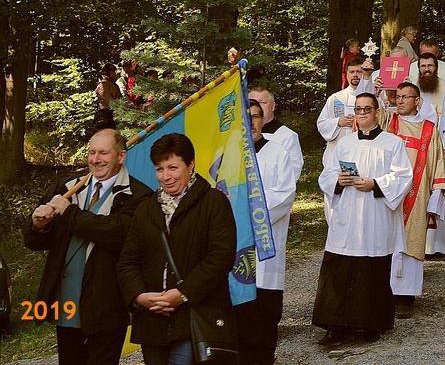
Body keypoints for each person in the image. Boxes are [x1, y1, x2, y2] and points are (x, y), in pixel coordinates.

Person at [23, 129, 151, 365]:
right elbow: (34, 242)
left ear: (121, 156)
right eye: (92, 152)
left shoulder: (139, 195)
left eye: (104, 153)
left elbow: (116, 233)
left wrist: (70, 213)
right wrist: (38, 225)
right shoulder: (67, 187)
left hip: (106, 306)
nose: (95, 159)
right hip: (67, 305)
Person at [117, 133, 237, 365]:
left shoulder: (213, 202)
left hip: (195, 316)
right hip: (152, 320)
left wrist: (182, 294)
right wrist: (140, 296)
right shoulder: (146, 208)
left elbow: (220, 257)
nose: (166, 176)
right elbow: (128, 260)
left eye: (173, 167)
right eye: (160, 169)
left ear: (190, 165)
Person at [313, 93, 413, 346]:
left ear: (377, 112)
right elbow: (327, 175)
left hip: (375, 215)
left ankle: (369, 325)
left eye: (367, 109)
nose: (362, 113)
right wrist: (338, 180)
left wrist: (375, 183)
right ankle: (334, 325)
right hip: (346, 216)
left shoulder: (392, 143)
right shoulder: (345, 144)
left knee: (372, 270)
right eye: (358, 109)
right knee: (339, 269)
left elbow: (403, 177)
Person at [234, 100, 296, 364]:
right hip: (234, 243)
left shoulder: (277, 152)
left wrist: (248, 207)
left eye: (256, 117)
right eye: (246, 118)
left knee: (264, 313)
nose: (252, 123)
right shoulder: (229, 153)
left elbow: (284, 194)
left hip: (265, 244)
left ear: (263, 119)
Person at [381, 83, 445, 319]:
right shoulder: (389, 123)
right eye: (397, 97)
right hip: (388, 191)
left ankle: (406, 296)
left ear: (417, 101)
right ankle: (383, 292)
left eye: (405, 97)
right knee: (385, 240)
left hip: (417, 192)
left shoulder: (430, 129)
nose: (399, 101)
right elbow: (366, 112)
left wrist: (437, 193)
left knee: (412, 241)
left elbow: (439, 162)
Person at [408, 52, 445, 257]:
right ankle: (416, 243)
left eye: (430, 66)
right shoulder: (411, 90)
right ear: (418, 68)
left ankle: (438, 245)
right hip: (416, 151)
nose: (426, 69)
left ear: (436, 67)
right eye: (423, 66)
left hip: (439, 151)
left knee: (438, 194)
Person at [317, 57, 365, 165]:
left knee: (359, 181)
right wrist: (338, 122)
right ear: (346, 74)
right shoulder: (336, 99)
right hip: (338, 153)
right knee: (340, 181)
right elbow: (321, 123)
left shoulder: (371, 99)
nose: (355, 75)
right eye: (352, 72)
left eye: (359, 72)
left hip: (362, 153)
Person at [250, 87, 304, 182]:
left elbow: (291, 177)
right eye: (253, 102)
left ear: (273, 106)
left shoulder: (287, 136)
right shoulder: (236, 137)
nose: (258, 106)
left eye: (263, 102)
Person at [94, 63, 121, 130]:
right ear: (106, 72)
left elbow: (120, 98)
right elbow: (107, 98)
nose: (114, 72)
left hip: (116, 113)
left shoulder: (115, 85)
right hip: (106, 114)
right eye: (112, 71)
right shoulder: (103, 84)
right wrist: (117, 107)